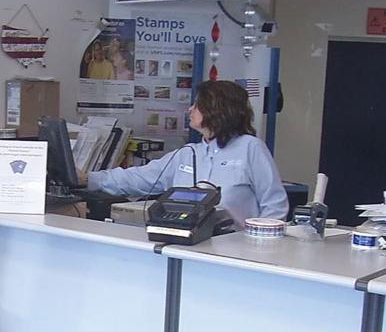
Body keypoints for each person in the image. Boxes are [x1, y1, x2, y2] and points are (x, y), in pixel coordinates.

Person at [85, 80, 288, 226]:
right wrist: (89, 180)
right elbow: (139, 177)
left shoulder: (251, 148)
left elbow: (275, 207)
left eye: (197, 105)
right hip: (187, 246)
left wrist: (258, 248)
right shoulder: (188, 153)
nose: (190, 109)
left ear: (217, 109)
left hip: (236, 252)